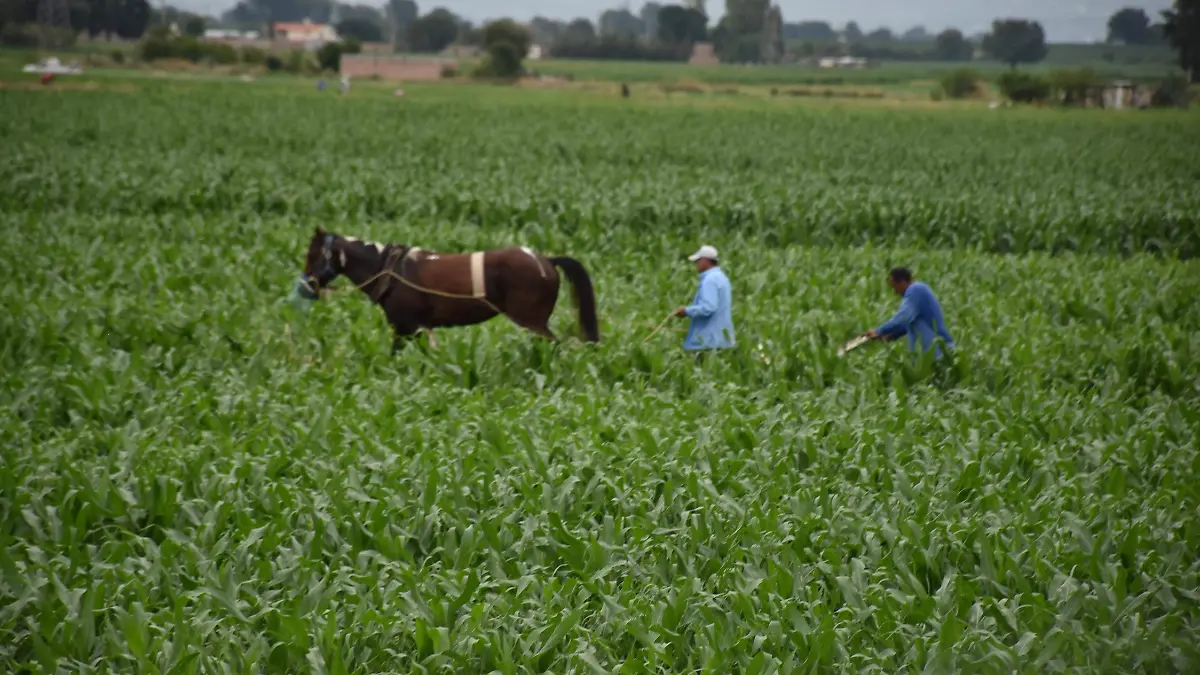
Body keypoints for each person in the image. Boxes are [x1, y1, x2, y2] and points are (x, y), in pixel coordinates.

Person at [865, 267, 954, 357]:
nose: (895, 292)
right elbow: (908, 322)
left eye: (895, 286)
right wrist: (891, 336)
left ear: (902, 282)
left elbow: (903, 317)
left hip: (938, 352)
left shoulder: (915, 290)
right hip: (933, 355)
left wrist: (879, 331)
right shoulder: (918, 290)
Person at [674, 245, 735, 352]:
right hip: (722, 339)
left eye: (698, 261)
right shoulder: (722, 277)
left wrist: (686, 311)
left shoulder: (710, 280)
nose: (696, 264)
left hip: (707, 342)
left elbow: (708, 308)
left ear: (705, 261)